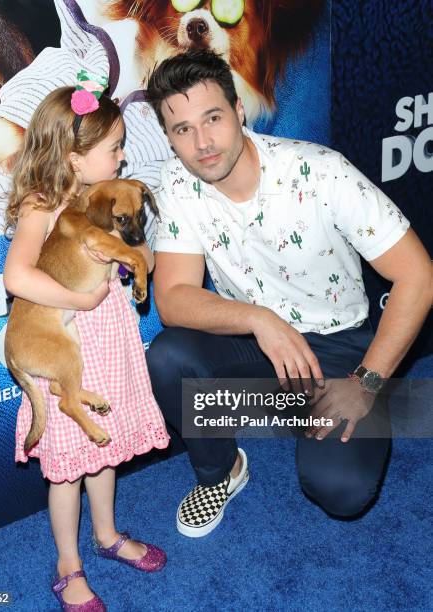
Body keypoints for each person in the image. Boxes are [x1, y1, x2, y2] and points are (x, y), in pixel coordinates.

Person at [144, 49, 432, 538]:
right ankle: (222, 471)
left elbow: (418, 276)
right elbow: (172, 298)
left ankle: (329, 404)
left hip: (341, 345)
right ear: (169, 139)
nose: (202, 142)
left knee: (340, 488)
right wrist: (260, 319)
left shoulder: (319, 171)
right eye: (182, 129)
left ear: (238, 111)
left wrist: (366, 381)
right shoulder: (176, 186)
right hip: (259, 348)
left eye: (212, 118)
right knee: (169, 356)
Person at [3, 76, 170, 610]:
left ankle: (106, 535)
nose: (122, 158)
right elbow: (16, 277)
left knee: (104, 453)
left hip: (109, 339)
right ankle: (67, 564)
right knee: (68, 465)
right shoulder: (43, 204)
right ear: (74, 158)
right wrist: (78, 302)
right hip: (66, 339)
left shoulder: (108, 199)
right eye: (113, 148)